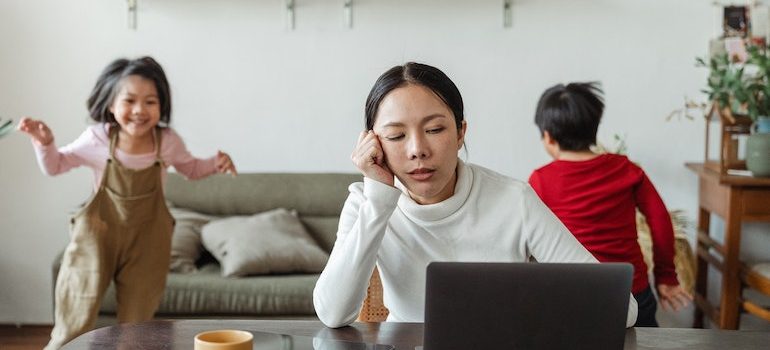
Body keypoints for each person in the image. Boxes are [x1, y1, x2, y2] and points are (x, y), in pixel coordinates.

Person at [312, 63, 638, 329]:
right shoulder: (366, 202)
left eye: (435, 129)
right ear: (374, 144)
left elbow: (622, 309)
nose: (417, 150)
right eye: (396, 135)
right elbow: (332, 313)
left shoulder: (514, 200)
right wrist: (380, 200)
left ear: (460, 133)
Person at [17, 56, 237, 349]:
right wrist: (44, 144)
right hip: (96, 238)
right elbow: (56, 165)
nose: (139, 110)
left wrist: (215, 163)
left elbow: (191, 169)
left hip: (147, 242)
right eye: (129, 100)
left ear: (162, 106)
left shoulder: (168, 142)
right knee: (74, 319)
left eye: (150, 101)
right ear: (110, 104)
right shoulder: (97, 138)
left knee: (136, 329)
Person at [528, 82, 692, 327]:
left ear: (548, 137)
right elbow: (660, 220)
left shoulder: (540, 180)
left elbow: (530, 238)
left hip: (574, 296)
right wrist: (666, 275)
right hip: (632, 293)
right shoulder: (627, 169)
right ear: (594, 129)